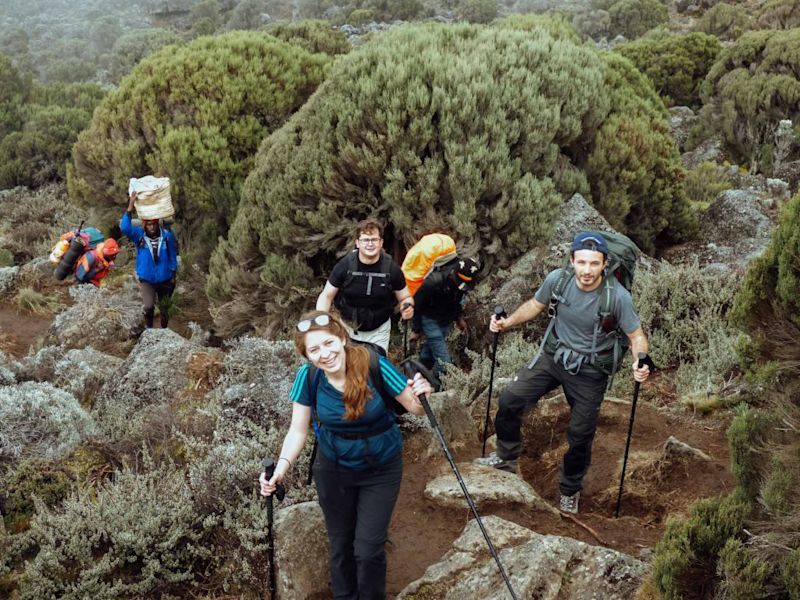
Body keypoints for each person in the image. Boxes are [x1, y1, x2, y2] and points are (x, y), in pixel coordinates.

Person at [259, 310, 431, 599]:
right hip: (333, 470)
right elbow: (298, 431)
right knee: (340, 546)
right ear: (307, 355)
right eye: (314, 349)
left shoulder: (373, 364)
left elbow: (414, 408)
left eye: (328, 343)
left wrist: (422, 395)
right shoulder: (309, 377)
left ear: (342, 338)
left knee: (368, 549)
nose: (324, 354)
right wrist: (280, 470)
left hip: (381, 468)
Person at [476, 231, 650, 514]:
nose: (587, 270)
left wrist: (641, 360)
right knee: (510, 400)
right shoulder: (558, 279)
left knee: (580, 434)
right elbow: (535, 305)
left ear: (605, 264)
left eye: (594, 264)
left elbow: (636, 335)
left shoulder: (617, 297)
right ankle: (505, 457)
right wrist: (507, 323)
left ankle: (569, 491)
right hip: (554, 358)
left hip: (591, 371)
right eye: (581, 262)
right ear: (572, 260)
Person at [316, 219, 414, 354]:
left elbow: (405, 297)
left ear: (381, 243)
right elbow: (326, 296)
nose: (370, 244)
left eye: (374, 240)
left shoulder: (391, 269)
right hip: (347, 329)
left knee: (375, 369)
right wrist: (321, 320)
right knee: (348, 368)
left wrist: (407, 306)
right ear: (357, 243)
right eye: (365, 240)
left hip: (379, 332)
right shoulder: (345, 266)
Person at [410, 256, 480, 378]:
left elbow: (456, 301)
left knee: (429, 352)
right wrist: (416, 329)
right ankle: (435, 386)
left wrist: (459, 318)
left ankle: (413, 373)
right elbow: (417, 305)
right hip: (430, 319)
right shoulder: (433, 282)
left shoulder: (462, 284)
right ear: (454, 274)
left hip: (446, 320)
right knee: (444, 362)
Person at [120, 193, 179, 329]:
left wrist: (173, 274)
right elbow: (125, 228)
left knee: (165, 308)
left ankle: (164, 330)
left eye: (153, 224)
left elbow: (172, 255)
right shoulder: (138, 235)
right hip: (147, 279)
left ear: (157, 223)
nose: (151, 227)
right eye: (148, 225)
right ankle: (149, 331)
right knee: (148, 307)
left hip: (165, 279)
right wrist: (130, 206)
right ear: (144, 225)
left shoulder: (167, 236)